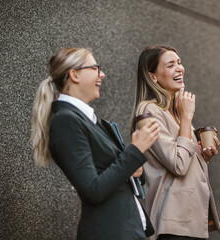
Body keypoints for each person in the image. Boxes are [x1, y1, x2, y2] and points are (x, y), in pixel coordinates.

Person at [30, 47, 160, 240]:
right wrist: (135, 151)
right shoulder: (66, 121)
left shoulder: (88, 120)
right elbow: (93, 189)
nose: (102, 75)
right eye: (95, 68)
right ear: (74, 75)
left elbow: (112, 175)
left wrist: (134, 170)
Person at [130, 45, 220, 240]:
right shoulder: (148, 111)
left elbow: (182, 158)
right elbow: (178, 164)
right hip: (172, 223)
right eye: (171, 65)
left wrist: (202, 154)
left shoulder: (174, 111)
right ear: (153, 77)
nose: (180, 68)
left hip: (190, 221)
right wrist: (187, 118)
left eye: (179, 63)